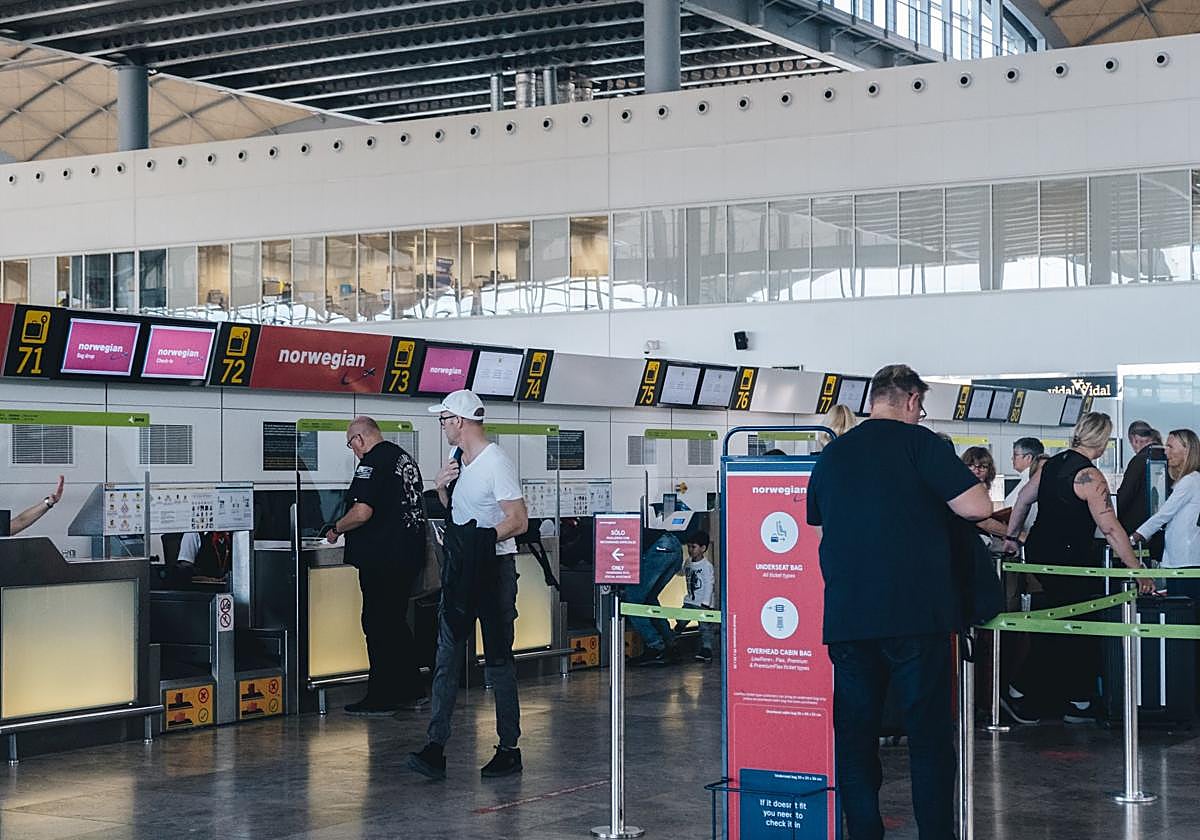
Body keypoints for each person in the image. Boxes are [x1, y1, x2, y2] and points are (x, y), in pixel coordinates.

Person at [806, 364, 993, 840]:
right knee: (927, 735)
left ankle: (864, 830)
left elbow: (819, 520)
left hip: (849, 617)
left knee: (855, 735)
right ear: (911, 400)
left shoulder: (834, 453)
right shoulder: (921, 443)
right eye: (922, 406)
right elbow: (978, 508)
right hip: (916, 615)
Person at [408, 390, 528, 781]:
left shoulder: (497, 462)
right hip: (461, 572)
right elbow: (462, 514)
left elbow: (518, 520)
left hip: (493, 571)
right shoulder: (457, 462)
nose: (441, 426)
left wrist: (479, 541)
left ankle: (509, 746)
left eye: (443, 419)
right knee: (446, 657)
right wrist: (442, 491)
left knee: (497, 660)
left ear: (459, 421)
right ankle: (435, 746)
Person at [1003, 412, 1152, 726]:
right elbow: (1110, 529)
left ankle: (1061, 697)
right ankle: (1054, 697)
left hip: (1042, 555)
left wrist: (1012, 538)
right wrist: (1137, 569)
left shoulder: (1051, 465)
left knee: (1057, 620)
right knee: (1075, 624)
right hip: (1072, 560)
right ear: (1100, 441)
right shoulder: (1090, 477)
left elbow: (1023, 501)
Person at [323, 417, 427, 716]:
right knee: (396, 623)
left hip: (382, 559)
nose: (353, 450)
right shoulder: (403, 458)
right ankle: (411, 690)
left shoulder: (372, 462)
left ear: (359, 438)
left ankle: (381, 695)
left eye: (351, 444)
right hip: (407, 555)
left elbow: (362, 512)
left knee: (378, 624)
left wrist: (336, 529)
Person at [1133, 429, 1200, 595]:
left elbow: (1164, 514)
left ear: (1187, 450)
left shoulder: (1189, 482)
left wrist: (1136, 536)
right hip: (1182, 558)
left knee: (1183, 610)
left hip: (1185, 560)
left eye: (1171, 447)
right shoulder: (1190, 480)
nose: (1165, 451)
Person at [627, 522, 684, 667]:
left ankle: (656, 647)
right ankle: (671, 644)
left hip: (659, 548)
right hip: (674, 545)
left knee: (632, 602)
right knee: (649, 598)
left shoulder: (590, 532)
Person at [674, 530, 717, 663]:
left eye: (694, 547)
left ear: (703, 548)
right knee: (681, 622)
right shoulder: (688, 562)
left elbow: (710, 584)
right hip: (690, 601)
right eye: (689, 547)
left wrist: (706, 603)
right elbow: (682, 573)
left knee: (704, 628)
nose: (690, 550)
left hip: (703, 603)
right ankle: (673, 643)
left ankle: (707, 650)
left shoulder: (706, 566)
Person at [1117, 420, 1162, 536]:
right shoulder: (1166, 455)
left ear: (1135, 439)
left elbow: (1126, 495)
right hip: (1162, 526)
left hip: (1138, 529)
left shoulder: (1139, 460)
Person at [1004, 437, 1045, 508]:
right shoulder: (1040, 478)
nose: (1012, 458)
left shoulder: (1028, 481)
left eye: (1015, 455)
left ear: (1028, 457)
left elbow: (1011, 508)